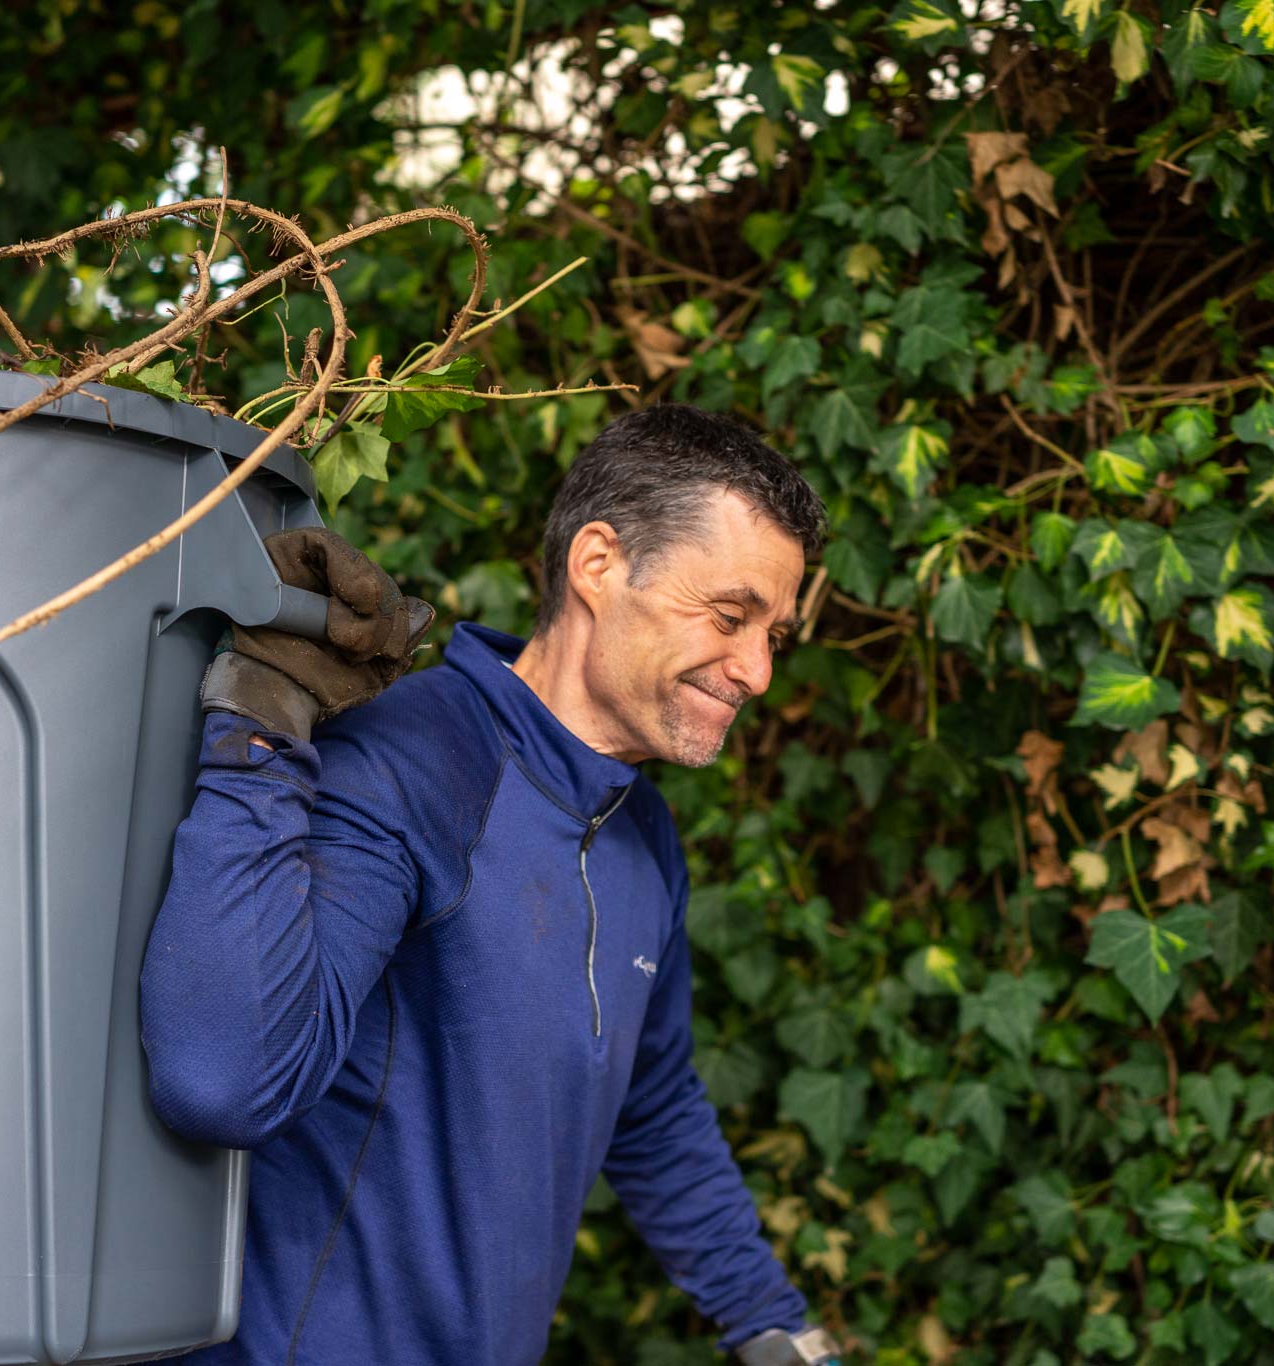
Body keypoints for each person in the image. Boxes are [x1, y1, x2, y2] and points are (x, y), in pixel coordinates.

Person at [140, 404, 843, 1365]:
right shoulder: (421, 762)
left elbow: (651, 1101)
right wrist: (257, 727)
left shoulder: (643, 835)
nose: (758, 670)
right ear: (598, 564)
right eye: (729, 617)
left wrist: (771, 1322)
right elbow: (220, 1079)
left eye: (774, 634)